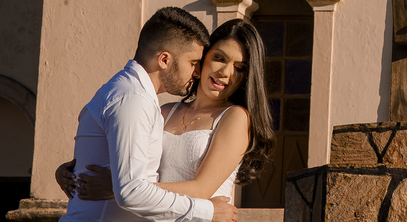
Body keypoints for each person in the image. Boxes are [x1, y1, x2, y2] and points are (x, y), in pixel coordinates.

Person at [57, 20, 275, 217]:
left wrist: (118, 188)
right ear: (203, 58)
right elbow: (132, 163)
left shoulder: (235, 117)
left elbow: (201, 189)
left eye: (239, 68)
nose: (226, 72)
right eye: (219, 58)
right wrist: (73, 171)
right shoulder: (164, 110)